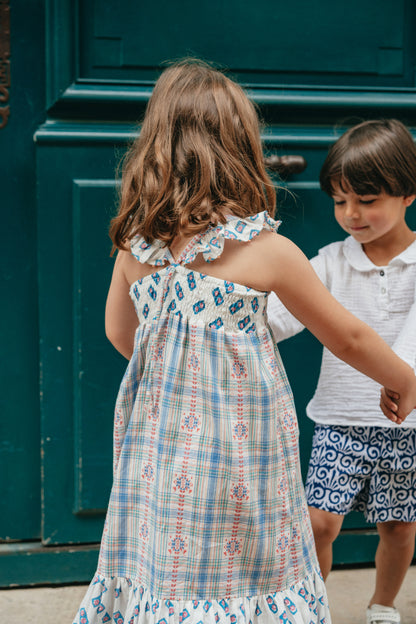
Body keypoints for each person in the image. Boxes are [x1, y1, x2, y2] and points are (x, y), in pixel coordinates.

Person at [73, 65, 416, 624]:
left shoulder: (136, 249)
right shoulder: (266, 250)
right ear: (238, 149)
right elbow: (348, 336)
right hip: (240, 443)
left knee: (168, 546)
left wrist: (177, 369)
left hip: (159, 441)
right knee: (245, 552)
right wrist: (403, 378)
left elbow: (120, 334)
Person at [268, 119, 416, 624]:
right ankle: (308, 607)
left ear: (408, 194)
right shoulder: (329, 262)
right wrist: (239, 324)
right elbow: (284, 312)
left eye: (368, 199)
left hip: (407, 426)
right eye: (339, 201)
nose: (351, 214)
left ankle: (383, 605)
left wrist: (403, 376)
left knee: (398, 528)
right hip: (340, 422)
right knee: (318, 523)